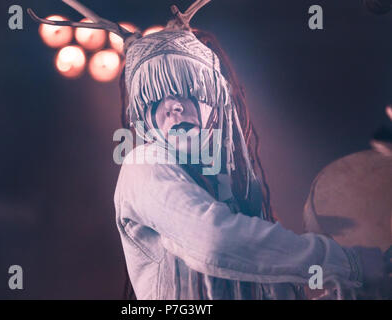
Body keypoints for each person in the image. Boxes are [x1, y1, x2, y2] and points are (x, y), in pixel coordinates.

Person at [29, 0, 390, 300]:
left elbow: (257, 269)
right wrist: (351, 263)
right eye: (156, 98)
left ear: (212, 101)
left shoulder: (230, 179)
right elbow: (215, 240)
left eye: (185, 92)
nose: (173, 106)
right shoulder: (145, 163)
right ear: (144, 116)